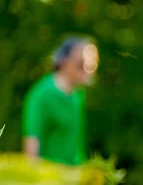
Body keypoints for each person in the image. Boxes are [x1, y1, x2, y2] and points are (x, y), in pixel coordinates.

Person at [22, 37, 99, 165]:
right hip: (51, 179)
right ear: (64, 61)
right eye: (81, 63)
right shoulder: (42, 95)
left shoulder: (77, 95)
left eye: (93, 63)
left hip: (74, 178)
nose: (89, 68)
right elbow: (31, 144)